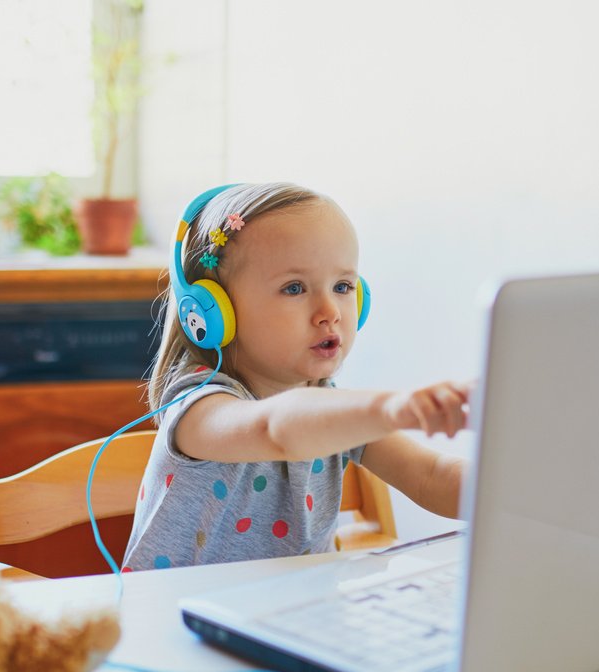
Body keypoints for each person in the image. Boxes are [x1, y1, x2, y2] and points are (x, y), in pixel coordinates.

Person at [121, 182, 470, 571]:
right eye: (294, 288)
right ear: (215, 313)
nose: (329, 311)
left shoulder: (331, 409)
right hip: (174, 620)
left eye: (342, 286)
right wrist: (391, 408)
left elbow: (431, 477)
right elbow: (276, 431)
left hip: (288, 614)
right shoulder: (198, 406)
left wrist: (524, 488)